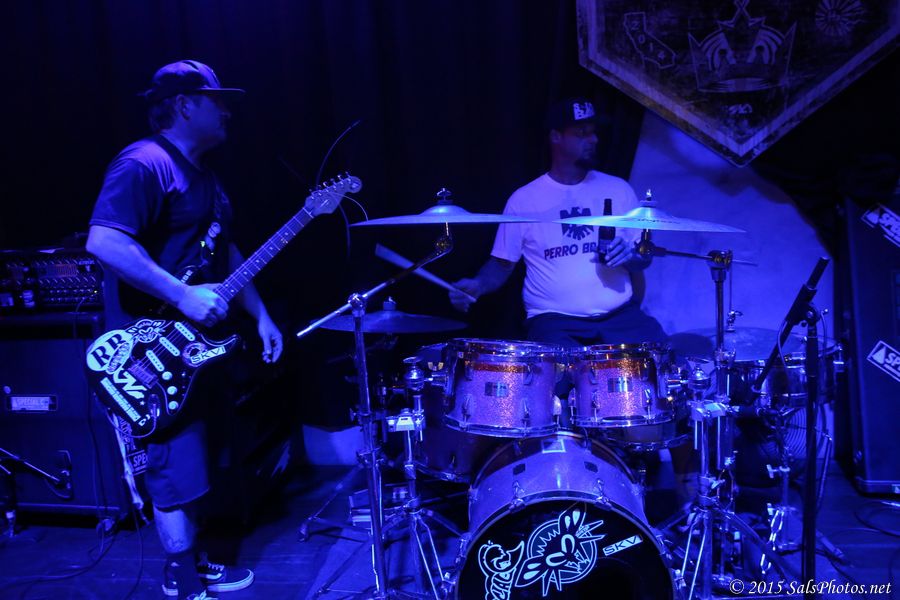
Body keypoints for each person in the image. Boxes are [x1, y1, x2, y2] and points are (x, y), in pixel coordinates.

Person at [86, 60, 283, 600]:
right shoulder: (144, 163)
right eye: (217, 100)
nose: (227, 111)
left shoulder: (209, 181)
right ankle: (181, 578)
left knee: (203, 461)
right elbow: (104, 241)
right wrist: (181, 295)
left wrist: (261, 314)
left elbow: (228, 253)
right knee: (173, 465)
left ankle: (195, 562)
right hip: (151, 354)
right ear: (184, 104)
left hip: (195, 349)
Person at [449, 97, 696, 504]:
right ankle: (568, 488)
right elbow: (501, 265)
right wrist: (475, 285)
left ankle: (690, 493)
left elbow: (643, 257)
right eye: (582, 133)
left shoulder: (617, 190)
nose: (592, 139)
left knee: (670, 377)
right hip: (554, 319)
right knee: (556, 386)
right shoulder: (525, 200)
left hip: (619, 315)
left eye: (593, 132)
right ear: (556, 137)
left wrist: (631, 256)